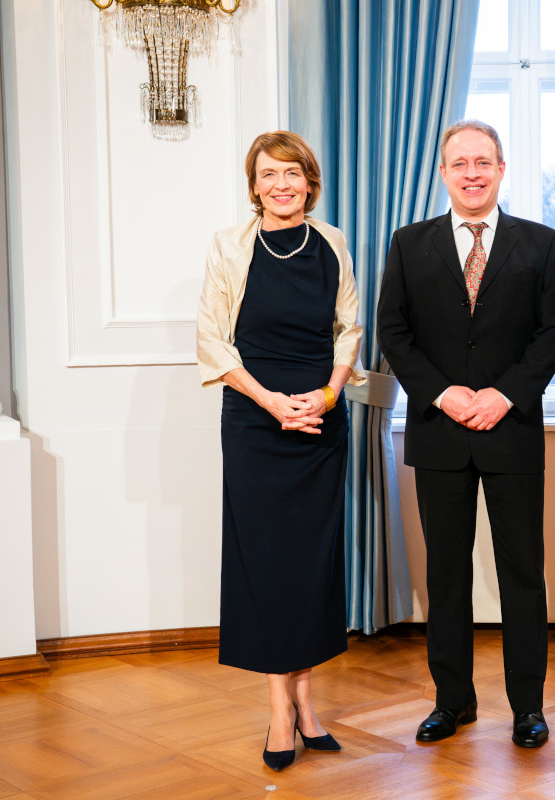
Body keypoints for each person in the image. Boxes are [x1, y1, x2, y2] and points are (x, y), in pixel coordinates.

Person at [376, 120, 555, 749]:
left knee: (523, 575)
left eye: (482, 161)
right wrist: (443, 393)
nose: (472, 173)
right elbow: (394, 333)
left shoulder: (540, 244)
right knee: (447, 576)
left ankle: (528, 708)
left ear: (501, 167)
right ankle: (452, 701)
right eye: (459, 163)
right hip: (438, 432)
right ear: (443, 172)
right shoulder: (407, 244)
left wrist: (504, 393)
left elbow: (553, 334)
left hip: (512, 431)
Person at [196, 131, 365, 772]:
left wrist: (324, 397)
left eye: (292, 173)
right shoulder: (228, 247)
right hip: (255, 422)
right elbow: (212, 341)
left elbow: (349, 329)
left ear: (309, 182)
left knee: (311, 562)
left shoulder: (333, 243)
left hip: (320, 421)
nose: (282, 185)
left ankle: (307, 701)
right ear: (254, 185)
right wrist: (272, 403)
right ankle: (278, 710)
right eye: (269, 174)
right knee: (265, 563)